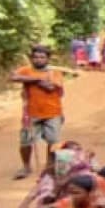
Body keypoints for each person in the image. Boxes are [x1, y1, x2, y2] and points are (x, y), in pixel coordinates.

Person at [11, 45, 66, 179]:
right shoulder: (26, 70)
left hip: (52, 112)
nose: (38, 60)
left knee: (53, 142)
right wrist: (36, 79)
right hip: (31, 113)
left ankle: (49, 167)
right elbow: (13, 76)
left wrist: (31, 81)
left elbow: (51, 87)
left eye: (42, 57)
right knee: (26, 141)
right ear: (31, 58)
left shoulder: (54, 73)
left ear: (48, 59)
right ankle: (26, 166)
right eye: (35, 57)